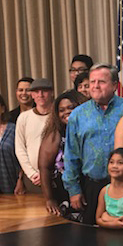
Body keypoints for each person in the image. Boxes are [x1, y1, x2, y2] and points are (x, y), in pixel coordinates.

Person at [63, 64, 123, 225]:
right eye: (92, 82)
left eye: (101, 82)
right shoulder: (78, 114)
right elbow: (71, 154)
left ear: (115, 85)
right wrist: (73, 190)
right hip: (92, 186)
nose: (95, 86)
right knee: (93, 238)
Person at [38, 90, 87, 219]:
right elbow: (44, 167)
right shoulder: (56, 133)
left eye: (71, 108)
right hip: (64, 192)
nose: (66, 112)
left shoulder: (90, 129)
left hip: (89, 187)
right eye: (61, 110)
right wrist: (49, 199)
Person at [15, 78, 54, 191]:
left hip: (56, 176)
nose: (40, 95)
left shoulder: (58, 116)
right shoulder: (24, 117)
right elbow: (20, 148)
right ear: (32, 94)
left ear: (51, 93)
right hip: (33, 178)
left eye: (44, 91)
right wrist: (32, 174)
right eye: (36, 92)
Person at [96, 148, 123, 230]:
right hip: (108, 234)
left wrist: (107, 218)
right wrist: (113, 223)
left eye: (120, 163)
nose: (114, 166)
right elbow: (98, 219)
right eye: (111, 162)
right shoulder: (104, 190)